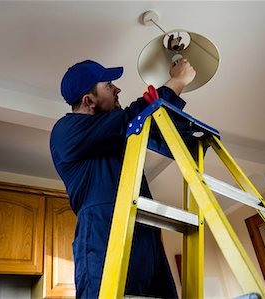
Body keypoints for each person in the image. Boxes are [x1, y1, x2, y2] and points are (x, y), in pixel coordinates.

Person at [50, 58, 196, 298]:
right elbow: (134, 116)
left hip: (143, 230)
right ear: (89, 100)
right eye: (109, 85)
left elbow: (149, 121)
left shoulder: (115, 136)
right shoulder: (65, 131)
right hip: (103, 234)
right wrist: (176, 81)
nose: (117, 89)